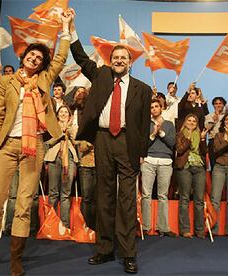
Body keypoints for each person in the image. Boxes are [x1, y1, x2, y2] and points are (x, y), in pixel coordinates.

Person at [0, 10, 73, 276]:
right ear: (22, 57)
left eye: (38, 58)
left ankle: (16, 257)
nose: (34, 59)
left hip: (34, 147)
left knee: (25, 203)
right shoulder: (6, 82)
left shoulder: (44, 80)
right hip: (7, 146)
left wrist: (66, 28)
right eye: (31, 55)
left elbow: (60, 58)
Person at [69, 15, 152, 274]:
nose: (119, 61)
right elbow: (82, 58)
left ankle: (128, 252)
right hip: (103, 140)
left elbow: (143, 124)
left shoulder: (143, 89)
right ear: (110, 61)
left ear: (130, 63)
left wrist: (141, 153)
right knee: (104, 195)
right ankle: (104, 249)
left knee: (126, 200)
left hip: (128, 143)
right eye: (115, 57)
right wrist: (70, 31)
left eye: (123, 58)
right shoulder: (101, 75)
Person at [141, 99, 176, 237]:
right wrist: (153, 134)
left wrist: (161, 133)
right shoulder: (146, 124)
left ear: (161, 108)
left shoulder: (169, 124)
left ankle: (163, 227)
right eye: (151, 107)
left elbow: (172, 143)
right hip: (149, 161)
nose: (154, 109)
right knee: (146, 195)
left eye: (156, 106)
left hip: (165, 162)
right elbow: (143, 144)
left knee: (163, 195)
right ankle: (145, 226)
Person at [174, 114, 208, 239]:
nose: (192, 122)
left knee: (199, 200)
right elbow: (180, 150)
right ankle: (185, 230)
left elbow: (204, 152)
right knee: (185, 198)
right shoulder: (179, 134)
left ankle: (199, 230)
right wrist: (187, 138)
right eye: (189, 120)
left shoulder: (200, 134)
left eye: (194, 121)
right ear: (185, 122)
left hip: (199, 167)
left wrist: (203, 140)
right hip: (185, 167)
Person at [45, 105, 78, 228]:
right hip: (53, 158)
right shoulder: (52, 127)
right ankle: (50, 224)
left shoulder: (73, 127)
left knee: (65, 193)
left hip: (68, 158)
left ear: (69, 115)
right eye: (61, 112)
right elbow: (48, 142)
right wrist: (60, 133)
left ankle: (64, 225)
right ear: (57, 115)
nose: (63, 114)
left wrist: (68, 128)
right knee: (53, 193)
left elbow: (76, 140)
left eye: (66, 112)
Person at [71, 87, 97, 229]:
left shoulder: (96, 115)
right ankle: (85, 226)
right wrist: (89, 142)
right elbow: (80, 144)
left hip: (99, 163)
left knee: (97, 198)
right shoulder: (80, 116)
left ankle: (95, 226)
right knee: (86, 197)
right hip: (85, 163)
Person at [205, 97, 227, 170]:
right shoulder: (208, 116)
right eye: (216, 104)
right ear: (213, 105)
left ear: (224, 105)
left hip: (225, 141)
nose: (218, 105)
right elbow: (207, 128)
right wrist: (214, 119)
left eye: (220, 103)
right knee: (214, 165)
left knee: (225, 165)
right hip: (213, 141)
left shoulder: (227, 116)